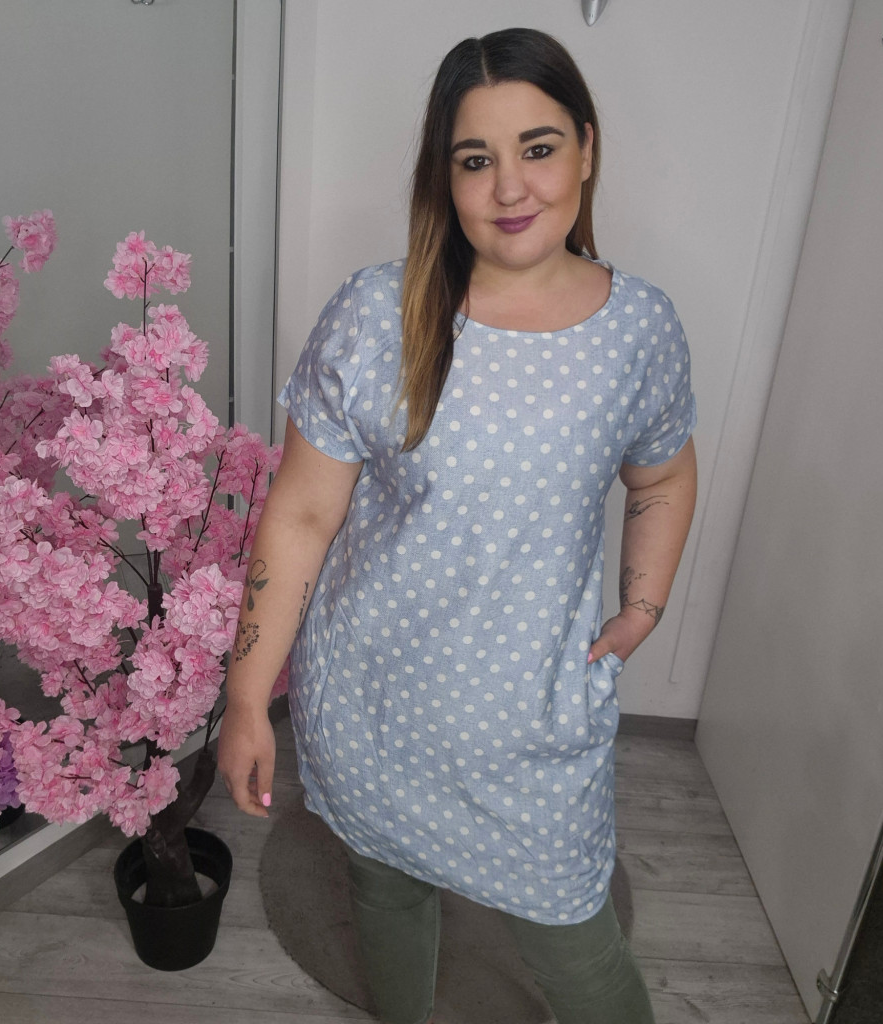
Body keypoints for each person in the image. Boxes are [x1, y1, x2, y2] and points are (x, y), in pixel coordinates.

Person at [218, 26, 696, 1024]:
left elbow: (661, 472)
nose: (510, 187)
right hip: (373, 702)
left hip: (532, 724)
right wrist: (248, 695)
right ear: (444, 175)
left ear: (586, 150)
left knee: (578, 953)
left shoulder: (638, 329)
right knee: (384, 891)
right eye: (475, 159)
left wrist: (642, 606)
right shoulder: (376, 314)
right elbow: (302, 513)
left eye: (538, 147)